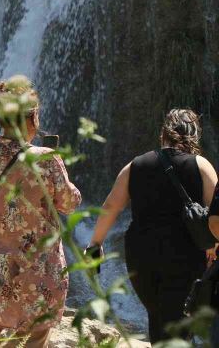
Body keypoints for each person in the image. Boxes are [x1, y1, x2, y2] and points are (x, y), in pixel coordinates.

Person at [88, 108, 217, 343]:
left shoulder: (135, 165)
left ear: (163, 134)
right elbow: (217, 216)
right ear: (194, 134)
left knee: (158, 317)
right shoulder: (201, 166)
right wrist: (213, 248)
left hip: (141, 258)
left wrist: (95, 243)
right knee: (178, 326)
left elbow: (110, 206)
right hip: (185, 258)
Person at [0, 79, 81, 348]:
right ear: (32, 118)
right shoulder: (45, 157)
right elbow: (68, 203)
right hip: (38, 268)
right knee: (34, 337)